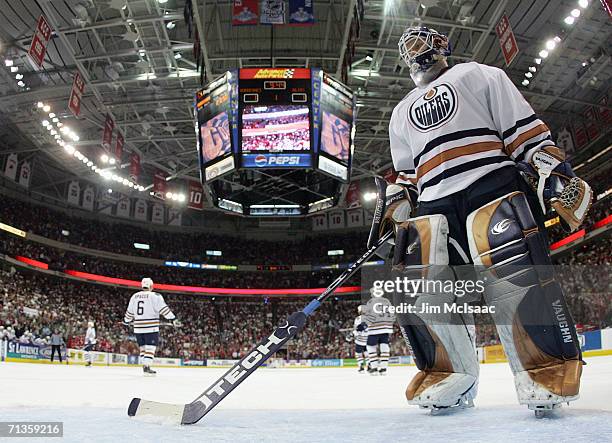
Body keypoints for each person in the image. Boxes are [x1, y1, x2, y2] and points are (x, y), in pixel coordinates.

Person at [374, 26, 592, 415]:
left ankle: (544, 367)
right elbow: (407, 174)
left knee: (513, 276)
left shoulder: (479, 74)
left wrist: (556, 175)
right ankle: (448, 373)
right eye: (409, 44)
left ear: (444, 45)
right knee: (425, 290)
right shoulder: (399, 112)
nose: (415, 46)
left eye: (424, 40)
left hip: (490, 182)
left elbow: (526, 137)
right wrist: (397, 208)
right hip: (433, 202)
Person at [123, 278, 179, 375]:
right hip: (150, 327)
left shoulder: (134, 296)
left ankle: (145, 366)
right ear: (151, 286)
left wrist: (126, 321)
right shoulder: (155, 296)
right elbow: (164, 309)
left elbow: (129, 313)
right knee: (151, 347)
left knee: (143, 348)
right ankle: (147, 368)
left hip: (138, 328)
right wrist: (173, 319)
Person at [364, 290, 395, 375]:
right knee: (384, 346)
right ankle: (383, 368)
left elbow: (368, 315)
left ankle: (374, 368)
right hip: (386, 328)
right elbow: (392, 314)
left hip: (374, 328)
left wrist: (365, 324)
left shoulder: (370, 302)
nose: (370, 294)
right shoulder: (387, 301)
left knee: (370, 347)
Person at [352, 305, 368, 373]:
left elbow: (356, 330)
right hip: (368, 340)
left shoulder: (358, 319)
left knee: (358, 353)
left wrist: (353, 333)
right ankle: (369, 366)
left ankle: (361, 367)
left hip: (360, 340)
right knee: (367, 353)